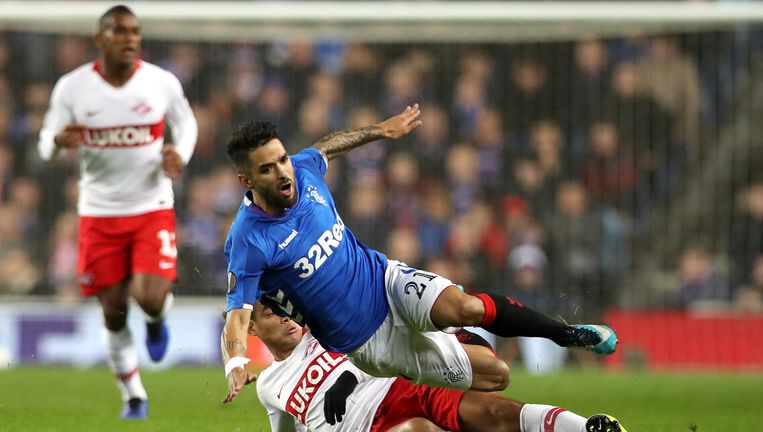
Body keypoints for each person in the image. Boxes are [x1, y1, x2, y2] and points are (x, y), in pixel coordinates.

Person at [221, 105, 617, 404]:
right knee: (497, 375)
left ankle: (568, 334)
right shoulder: (249, 239)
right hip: (369, 341)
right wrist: (236, 363)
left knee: (465, 306)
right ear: (247, 179)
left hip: (385, 279)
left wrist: (380, 130)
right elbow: (238, 316)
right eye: (268, 169)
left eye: (283, 159)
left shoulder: (304, 171)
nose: (283, 172)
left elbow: (325, 146)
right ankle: (420, 364)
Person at [37, 5, 198, 419]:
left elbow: (187, 123)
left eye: (136, 32)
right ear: (101, 39)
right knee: (112, 311)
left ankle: (158, 319)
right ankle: (134, 397)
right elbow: (44, 145)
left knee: (149, 297)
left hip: (151, 206)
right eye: (121, 31)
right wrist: (58, 140)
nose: (130, 39)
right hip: (98, 212)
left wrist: (179, 153)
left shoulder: (159, 82)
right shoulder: (72, 88)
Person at [249, 302, 629, 432]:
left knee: (496, 412)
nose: (286, 318)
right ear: (252, 327)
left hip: (403, 385)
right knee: (418, 430)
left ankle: (587, 428)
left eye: (286, 309)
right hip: (368, 427)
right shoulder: (269, 384)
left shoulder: (326, 326)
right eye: (271, 314)